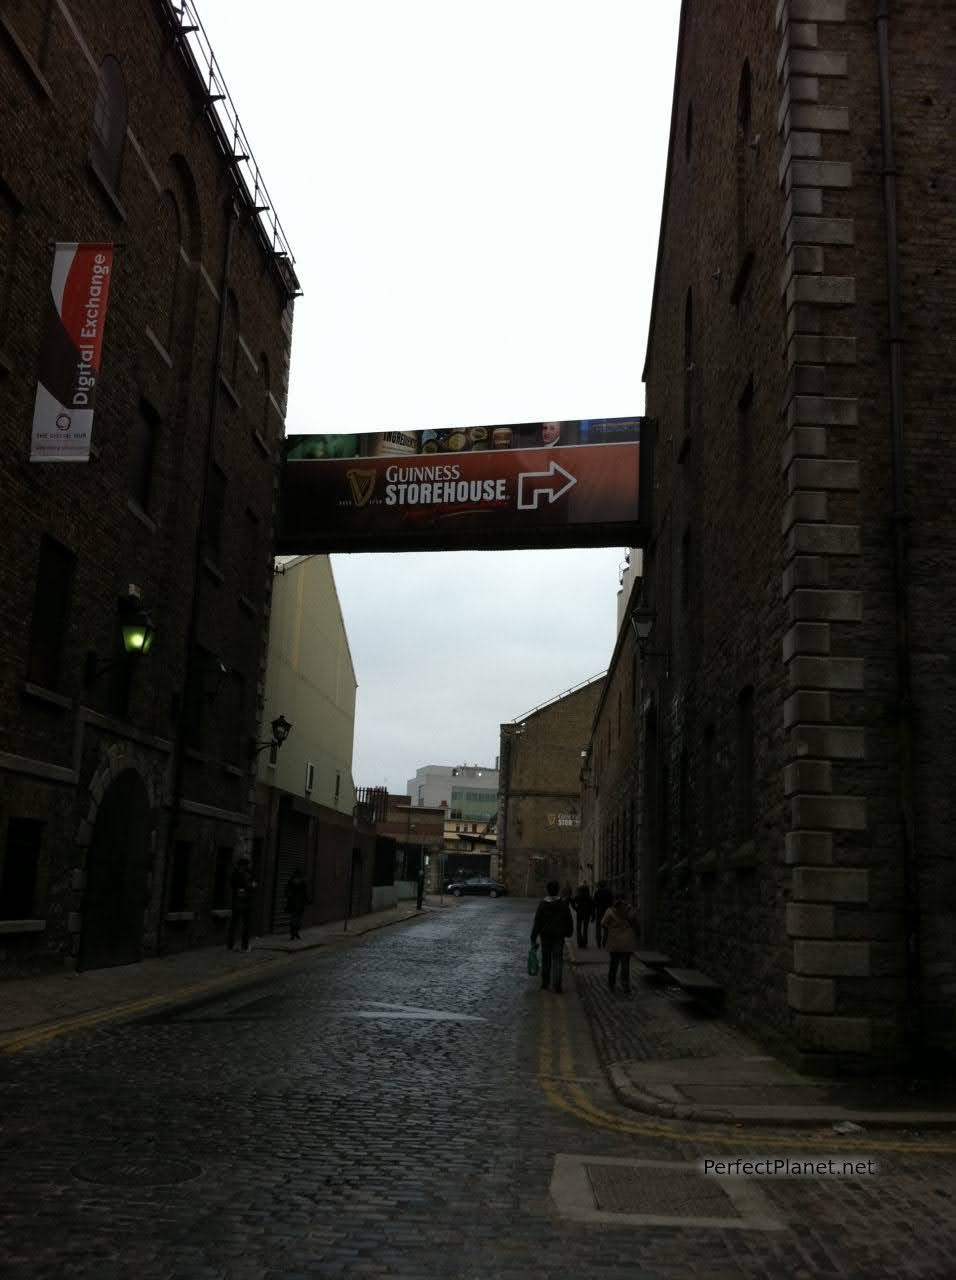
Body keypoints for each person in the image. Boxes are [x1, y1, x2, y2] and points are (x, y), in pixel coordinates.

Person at [530, 880, 574, 994]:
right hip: (559, 936)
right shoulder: (563, 904)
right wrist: (569, 932)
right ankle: (557, 984)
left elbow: (537, 921)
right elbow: (568, 920)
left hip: (546, 936)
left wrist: (533, 936)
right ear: (558, 890)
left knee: (546, 960)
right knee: (558, 960)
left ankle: (545, 983)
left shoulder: (543, 904)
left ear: (547, 890)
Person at [601, 897, 639, 993]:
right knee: (625, 964)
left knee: (613, 964)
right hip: (627, 941)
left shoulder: (610, 911)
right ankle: (625, 985)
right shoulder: (630, 911)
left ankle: (611, 984)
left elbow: (603, 923)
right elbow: (635, 923)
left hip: (614, 942)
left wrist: (609, 931)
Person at [227, 855, 257, 952]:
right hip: (243, 902)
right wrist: (249, 887)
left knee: (235, 924)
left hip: (239, 901)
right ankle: (243, 946)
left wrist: (246, 888)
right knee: (244, 924)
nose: (246, 867)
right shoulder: (245, 874)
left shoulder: (237, 874)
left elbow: (233, 885)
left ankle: (231, 945)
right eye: (246, 865)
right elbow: (252, 886)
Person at [284, 867, 310, 941]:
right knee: (298, 919)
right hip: (300, 904)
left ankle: (293, 933)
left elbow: (286, 891)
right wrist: (306, 902)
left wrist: (289, 896)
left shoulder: (291, 881)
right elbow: (305, 894)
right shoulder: (303, 882)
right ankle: (296, 932)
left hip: (292, 903)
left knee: (293, 918)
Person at [592, 881, 613, 947]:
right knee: (606, 927)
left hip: (599, 912)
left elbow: (594, 903)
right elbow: (611, 902)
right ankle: (604, 942)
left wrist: (593, 913)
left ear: (599, 886)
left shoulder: (597, 892)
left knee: (598, 927)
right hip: (607, 911)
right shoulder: (609, 892)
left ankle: (598, 942)